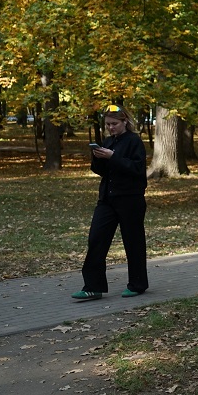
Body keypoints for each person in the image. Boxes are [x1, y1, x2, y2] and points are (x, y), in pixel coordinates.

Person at [72, 104, 149, 301]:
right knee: (96, 239)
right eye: (107, 124)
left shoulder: (134, 141)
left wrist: (113, 157)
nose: (110, 127)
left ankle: (137, 284)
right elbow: (102, 171)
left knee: (133, 242)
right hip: (107, 199)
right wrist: (98, 158)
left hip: (130, 199)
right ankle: (93, 286)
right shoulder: (108, 141)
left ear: (125, 122)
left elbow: (137, 169)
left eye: (114, 124)